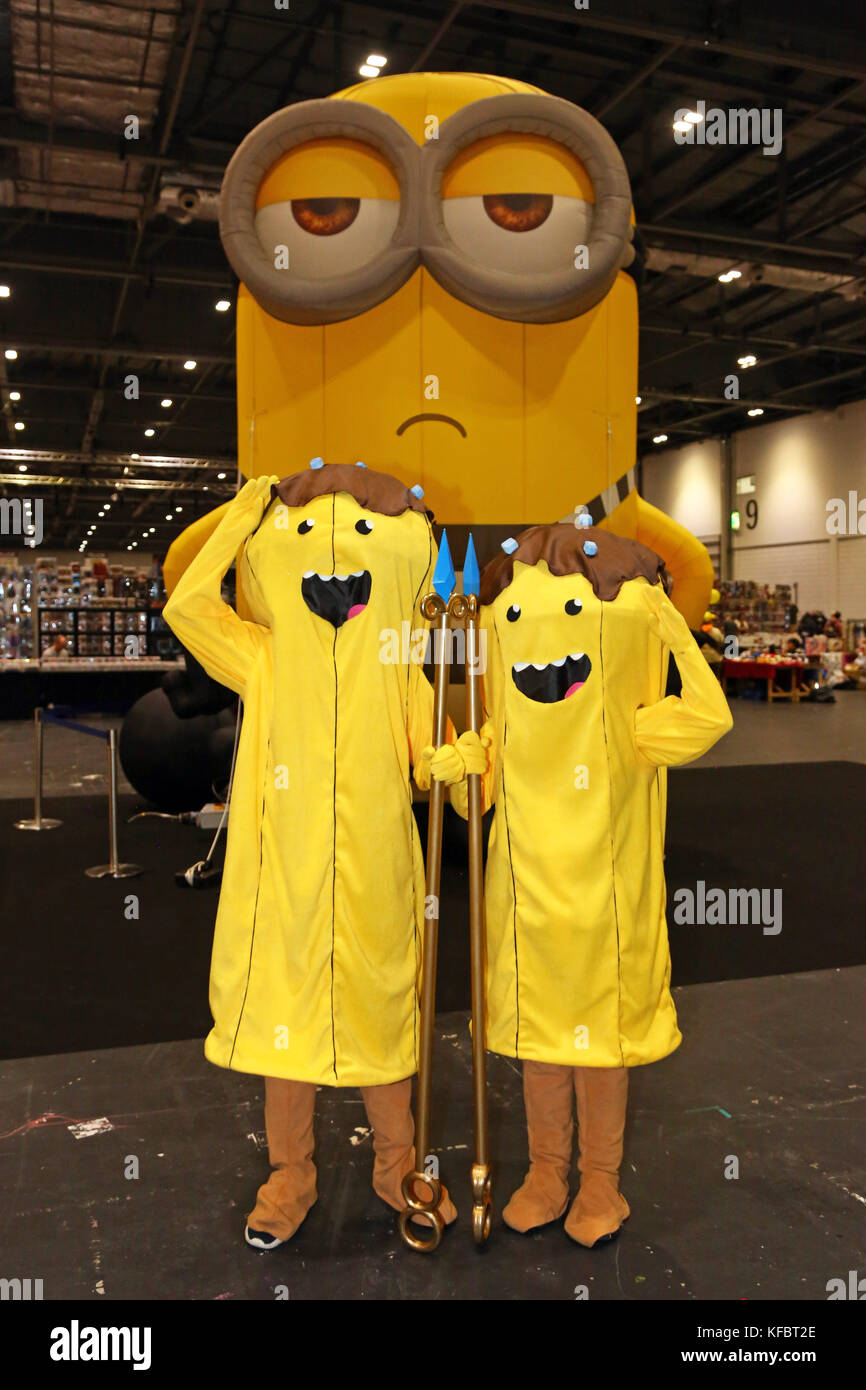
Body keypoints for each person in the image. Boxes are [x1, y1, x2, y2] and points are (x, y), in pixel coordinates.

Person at [164, 466, 460, 1249]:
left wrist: (460, 764)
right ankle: (291, 1175)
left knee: (382, 1011)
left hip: (374, 863)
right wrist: (244, 513)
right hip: (283, 870)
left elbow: (426, 753)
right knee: (284, 1023)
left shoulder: (398, 660)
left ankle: (398, 1168)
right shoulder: (260, 656)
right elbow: (187, 604)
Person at [425, 520, 733, 1247]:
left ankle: (600, 1186)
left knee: (599, 1053)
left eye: (572, 611)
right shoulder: (518, 714)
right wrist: (467, 759)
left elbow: (711, 716)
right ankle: (544, 1174)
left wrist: (667, 623)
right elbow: (489, 776)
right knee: (541, 1045)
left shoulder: (635, 724)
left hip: (605, 911)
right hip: (528, 904)